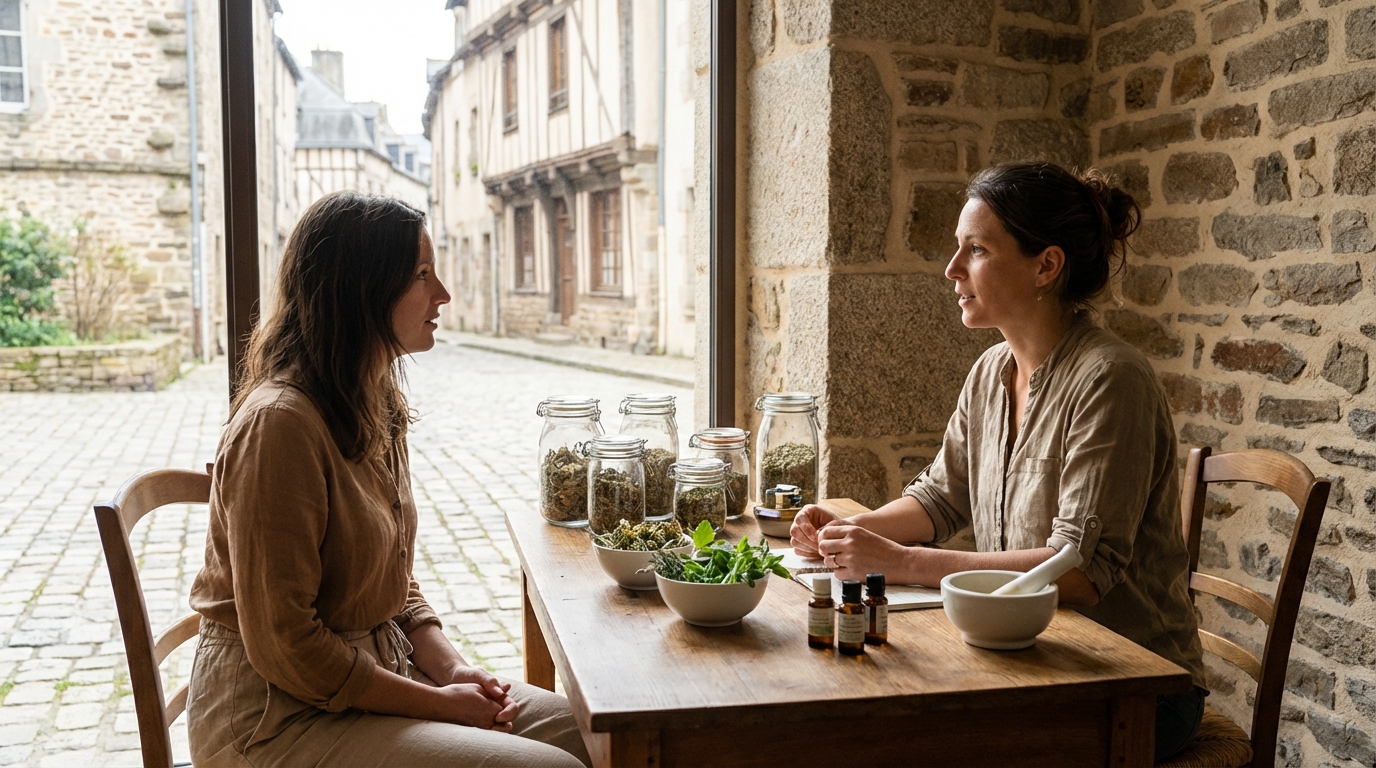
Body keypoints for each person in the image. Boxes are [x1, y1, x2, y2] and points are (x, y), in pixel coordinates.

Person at [790, 163, 1208, 763]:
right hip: (1027, 657)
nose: (952, 270)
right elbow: (942, 497)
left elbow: (1080, 572)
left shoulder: (1111, 380)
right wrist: (850, 531)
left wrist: (903, 563)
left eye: (977, 250)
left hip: (1134, 690)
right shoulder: (990, 372)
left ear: (1046, 265)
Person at [187, 192, 591, 767]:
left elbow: (390, 576)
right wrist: (438, 704)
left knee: (598, 735)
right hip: (273, 720)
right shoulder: (279, 426)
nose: (443, 294)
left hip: (371, 677)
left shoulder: (372, 399)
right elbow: (287, 646)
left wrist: (451, 670)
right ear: (362, 292)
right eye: (422, 275)